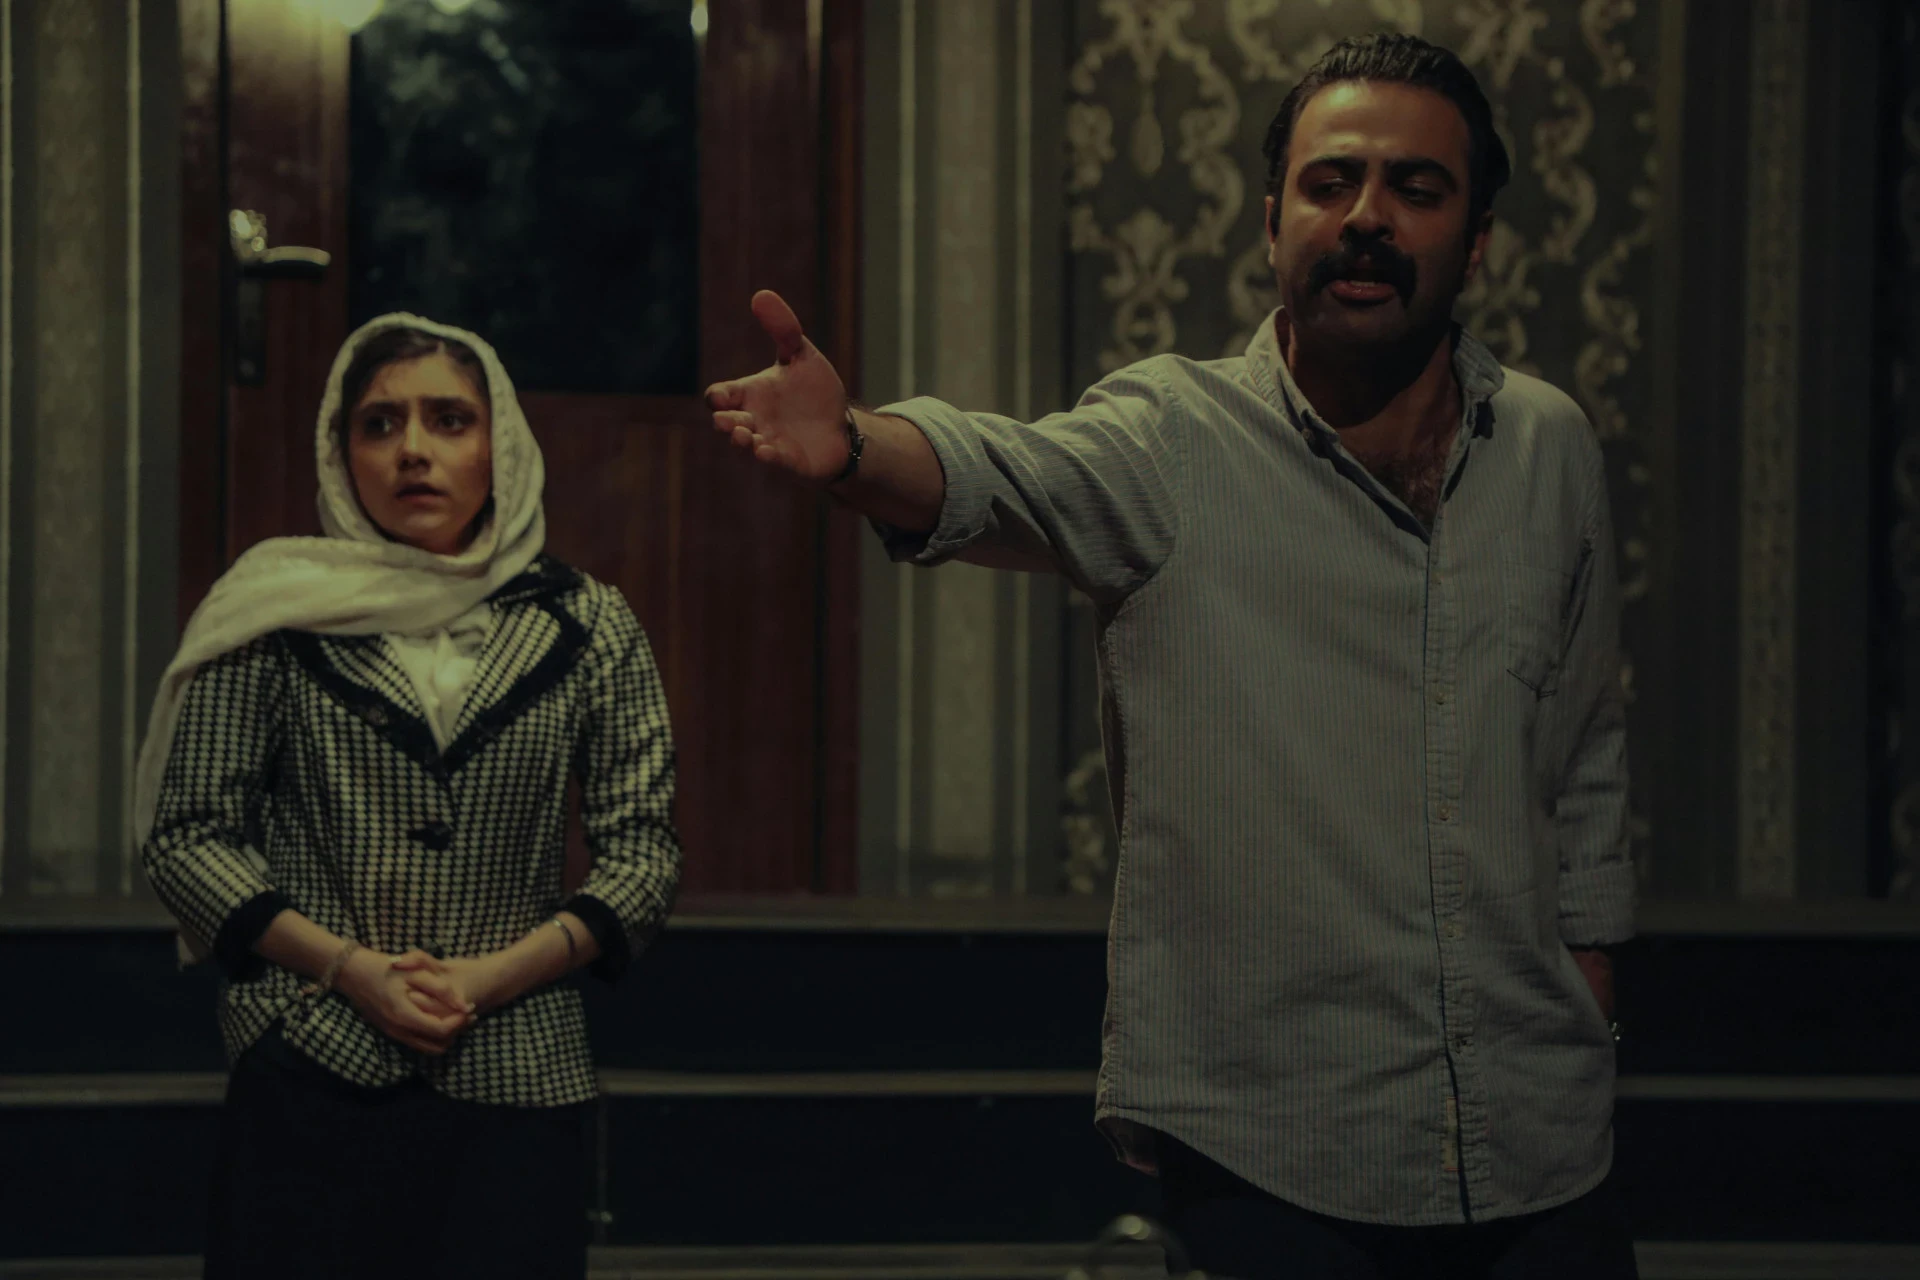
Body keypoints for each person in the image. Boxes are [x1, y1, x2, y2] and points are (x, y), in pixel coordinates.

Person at [705, 32, 1637, 1280]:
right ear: (1271, 221)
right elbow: (999, 469)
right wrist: (856, 446)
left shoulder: (1549, 445)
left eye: (1416, 188)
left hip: (1542, 1140)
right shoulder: (1172, 437)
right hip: (1280, 1150)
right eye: (1330, 182)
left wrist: (1590, 976)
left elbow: (1584, 743)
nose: (1367, 217)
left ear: (1475, 242)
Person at [137, 314, 681, 1280]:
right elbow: (188, 836)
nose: (413, 450)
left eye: (449, 420)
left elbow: (644, 855)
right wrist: (350, 970)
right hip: (311, 1051)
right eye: (379, 424)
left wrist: (488, 979)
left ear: (500, 446)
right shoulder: (275, 611)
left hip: (519, 1064)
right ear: (340, 453)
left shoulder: (590, 624)